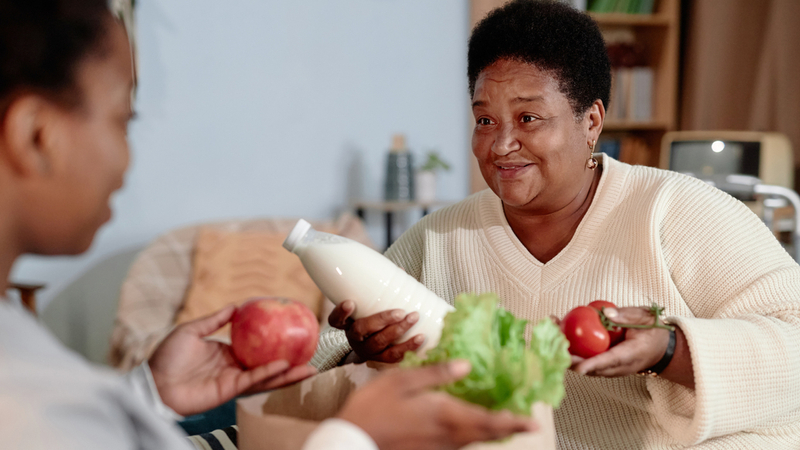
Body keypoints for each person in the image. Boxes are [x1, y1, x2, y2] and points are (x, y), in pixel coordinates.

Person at [0, 1, 536, 449]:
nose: (125, 158)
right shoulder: (36, 402)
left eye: (529, 118)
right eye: (123, 119)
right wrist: (353, 435)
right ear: (35, 136)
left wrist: (148, 394)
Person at [321, 0, 800, 448]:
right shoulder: (438, 237)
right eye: (484, 120)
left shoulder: (677, 211)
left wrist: (669, 348)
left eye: (528, 118)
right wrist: (365, 356)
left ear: (591, 121)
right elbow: (328, 363)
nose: (501, 144)